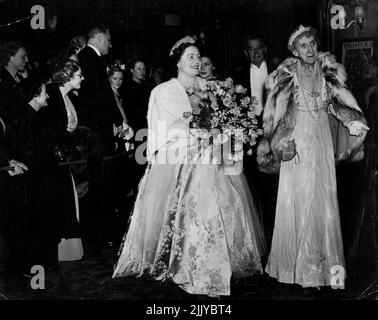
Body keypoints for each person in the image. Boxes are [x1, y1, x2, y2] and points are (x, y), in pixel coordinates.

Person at [113, 36, 266, 297]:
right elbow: (163, 132)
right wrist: (196, 135)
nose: (196, 61)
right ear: (178, 62)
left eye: (198, 56)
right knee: (195, 203)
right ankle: (193, 265)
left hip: (211, 157)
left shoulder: (209, 88)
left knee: (220, 203)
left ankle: (217, 264)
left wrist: (223, 133)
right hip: (182, 159)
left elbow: (221, 120)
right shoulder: (164, 91)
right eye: (190, 57)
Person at [257, 25, 369, 289]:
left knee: (322, 199)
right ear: (295, 51)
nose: (309, 49)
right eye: (303, 46)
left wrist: (350, 121)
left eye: (312, 44)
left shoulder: (328, 73)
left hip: (320, 141)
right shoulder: (284, 77)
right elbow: (273, 118)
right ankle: (299, 270)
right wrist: (280, 142)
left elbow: (338, 104)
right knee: (298, 199)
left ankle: (323, 270)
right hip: (295, 142)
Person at [46, 59, 85, 262]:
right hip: (55, 159)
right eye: (79, 75)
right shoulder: (53, 95)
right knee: (61, 202)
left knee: (68, 201)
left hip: (65, 157)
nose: (83, 78)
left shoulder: (67, 96)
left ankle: (67, 251)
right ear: (67, 77)